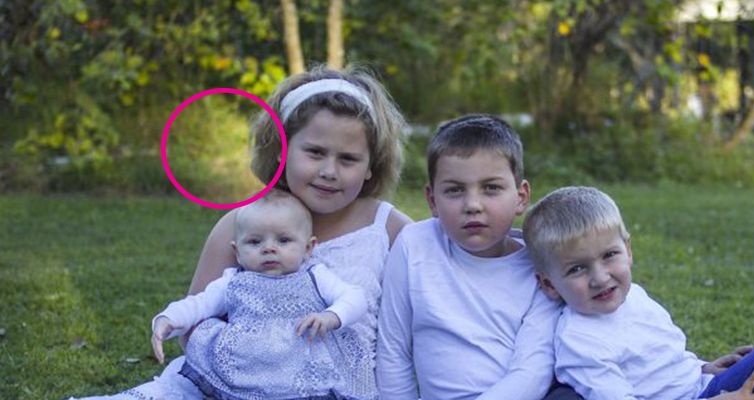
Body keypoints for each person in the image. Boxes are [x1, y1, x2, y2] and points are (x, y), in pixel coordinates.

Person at [186, 66, 413, 392]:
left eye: (348, 159)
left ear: (370, 167)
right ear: (283, 151)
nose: (329, 171)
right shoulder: (241, 224)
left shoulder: (389, 228)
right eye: (315, 152)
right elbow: (192, 327)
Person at [75, 191, 372, 399]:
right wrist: (168, 320)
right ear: (237, 251)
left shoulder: (314, 275)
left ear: (308, 248)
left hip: (299, 371)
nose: (269, 248)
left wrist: (332, 316)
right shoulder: (234, 281)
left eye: (283, 240)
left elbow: (355, 297)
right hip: (243, 368)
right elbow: (199, 305)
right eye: (255, 242)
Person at [522, 186, 754, 400]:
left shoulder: (634, 296)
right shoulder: (579, 341)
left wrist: (702, 368)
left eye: (609, 255)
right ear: (549, 284)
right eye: (577, 269)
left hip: (701, 384)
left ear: (628, 251)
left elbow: (662, 360)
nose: (600, 277)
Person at [377, 114, 574, 400]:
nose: (472, 205)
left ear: (521, 197)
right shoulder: (415, 245)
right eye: (455, 190)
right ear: (432, 200)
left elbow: (532, 371)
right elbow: (393, 352)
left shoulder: (541, 264)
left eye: (491, 188)